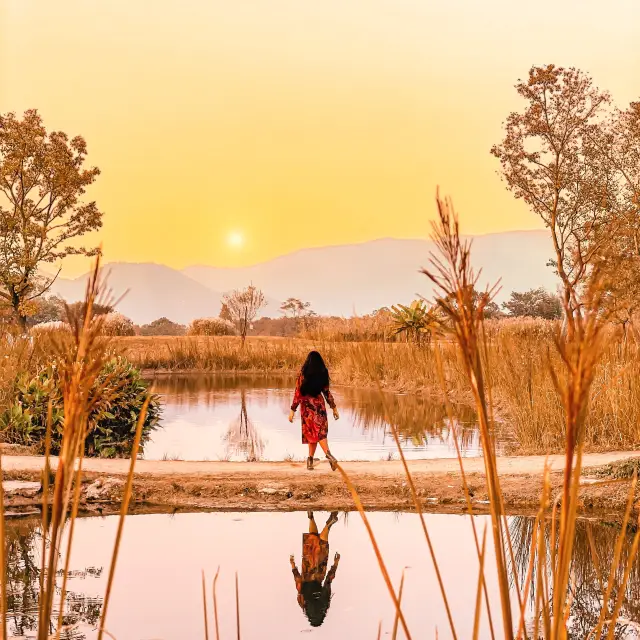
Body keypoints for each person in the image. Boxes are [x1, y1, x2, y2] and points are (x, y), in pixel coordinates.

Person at [289, 350, 339, 471]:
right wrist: (334, 408)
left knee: (312, 433)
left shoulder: (303, 373)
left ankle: (327, 455)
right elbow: (326, 392)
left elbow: (298, 393)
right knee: (319, 432)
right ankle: (311, 459)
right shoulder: (323, 373)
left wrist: (292, 410)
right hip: (319, 405)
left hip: (306, 407)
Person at [290, 511, 341, 628]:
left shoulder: (324, 603)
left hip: (319, 573)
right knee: (312, 539)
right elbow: (298, 583)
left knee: (322, 544)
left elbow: (328, 581)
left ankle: (329, 524)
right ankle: (311, 517)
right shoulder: (304, 603)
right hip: (306, 568)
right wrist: (293, 566)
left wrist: (335, 564)